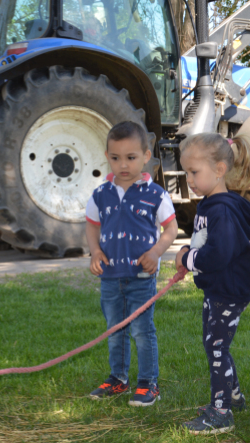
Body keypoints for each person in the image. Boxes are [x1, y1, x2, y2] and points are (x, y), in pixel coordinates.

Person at [85, 121, 178, 406]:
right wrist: (95, 252)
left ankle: (149, 383)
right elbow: (92, 226)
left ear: (146, 156)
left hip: (141, 276)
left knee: (141, 329)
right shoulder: (101, 194)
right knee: (115, 328)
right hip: (110, 275)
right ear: (107, 156)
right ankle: (118, 379)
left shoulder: (156, 195)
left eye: (131, 157)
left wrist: (156, 253)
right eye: (115, 158)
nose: (122, 165)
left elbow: (171, 229)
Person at [175, 133, 250, 435]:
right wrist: (190, 253)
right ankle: (233, 397)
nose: (189, 179)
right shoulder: (210, 205)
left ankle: (220, 412)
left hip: (228, 290)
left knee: (217, 347)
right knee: (215, 344)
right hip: (217, 288)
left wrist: (188, 260)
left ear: (220, 169)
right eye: (186, 172)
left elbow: (218, 254)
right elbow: (203, 242)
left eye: (194, 172)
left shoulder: (221, 210)